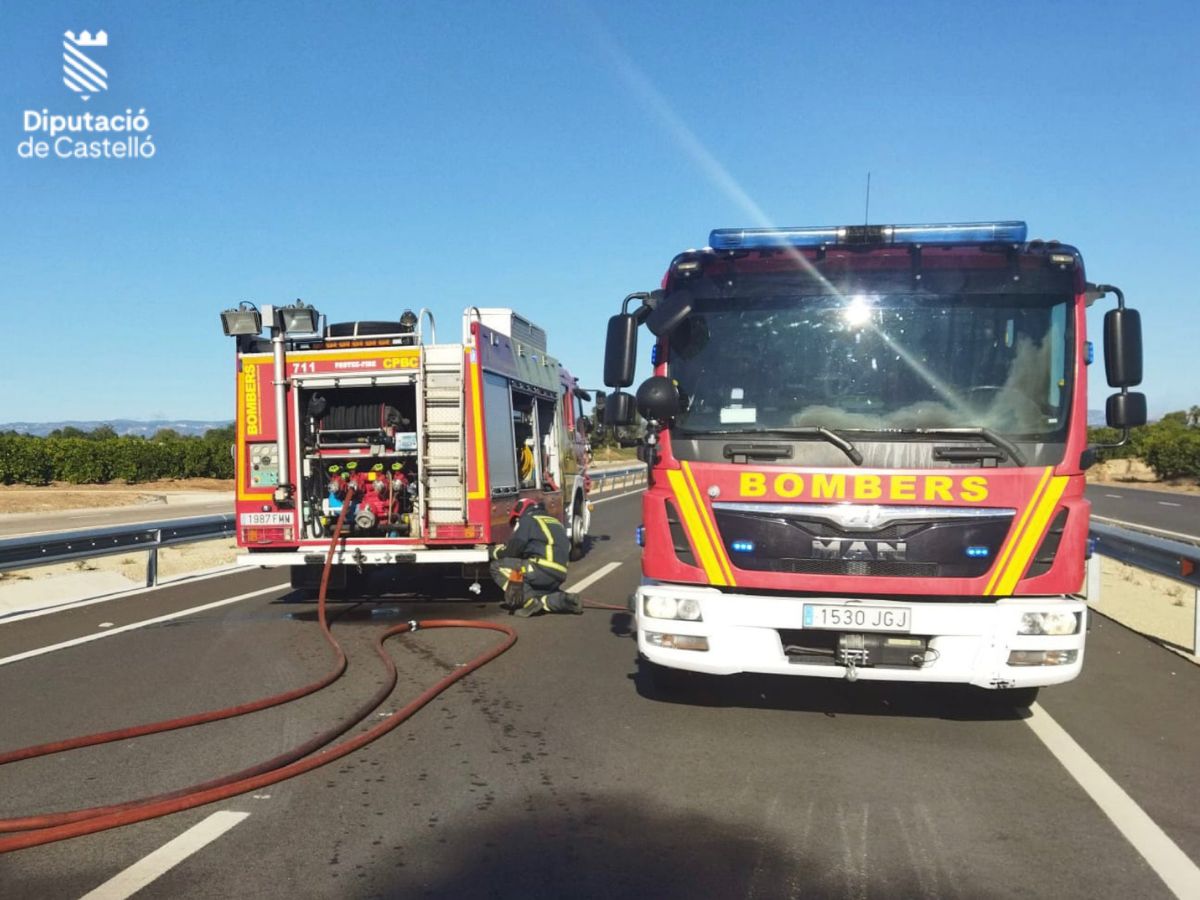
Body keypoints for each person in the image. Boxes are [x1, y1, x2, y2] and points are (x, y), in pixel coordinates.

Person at [490, 498, 582, 616]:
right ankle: (567, 601)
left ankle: (528, 601)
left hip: (541, 569)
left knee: (496, 567)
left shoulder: (528, 520)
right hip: (560, 574)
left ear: (519, 515)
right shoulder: (554, 522)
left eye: (515, 522)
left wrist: (492, 552)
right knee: (540, 596)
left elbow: (513, 550)